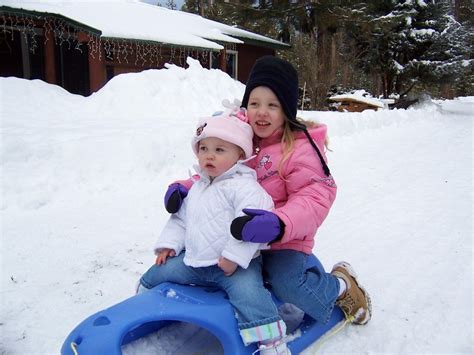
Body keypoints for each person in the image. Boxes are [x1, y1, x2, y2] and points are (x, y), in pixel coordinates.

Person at [164, 56, 372, 328]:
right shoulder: (239, 136)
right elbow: (217, 170)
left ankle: (342, 287)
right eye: (255, 103)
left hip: (283, 240)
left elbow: (315, 197)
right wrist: (187, 188)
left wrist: (278, 224)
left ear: (286, 109)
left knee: (287, 284)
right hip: (239, 235)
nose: (261, 112)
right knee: (198, 257)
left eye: (272, 105)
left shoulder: (299, 148)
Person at [139, 107, 290, 355]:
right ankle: (142, 304)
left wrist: (233, 257)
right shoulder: (198, 187)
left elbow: (251, 226)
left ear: (239, 155)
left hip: (234, 267)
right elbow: (180, 220)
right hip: (195, 262)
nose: (209, 156)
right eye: (204, 149)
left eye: (219, 150)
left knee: (249, 295)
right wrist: (169, 244)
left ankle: (271, 340)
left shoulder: (244, 187)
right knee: (160, 271)